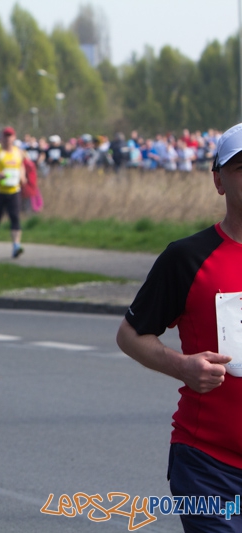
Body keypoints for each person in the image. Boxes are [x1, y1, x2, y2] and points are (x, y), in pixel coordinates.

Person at [116, 122, 242, 531]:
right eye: (241, 168)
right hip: (211, 465)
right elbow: (130, 335)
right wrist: (183, 366)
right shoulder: (187, 257)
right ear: (218, 180)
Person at [0, 126, 26, 259]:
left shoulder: (18, 152)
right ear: (1, 138)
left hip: (14, 190)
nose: (8, 138)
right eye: (5, 136)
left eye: (10, 136)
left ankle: (16, 246)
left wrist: (23, 176)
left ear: (14, 137)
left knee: (15, 217)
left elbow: (21, 166)